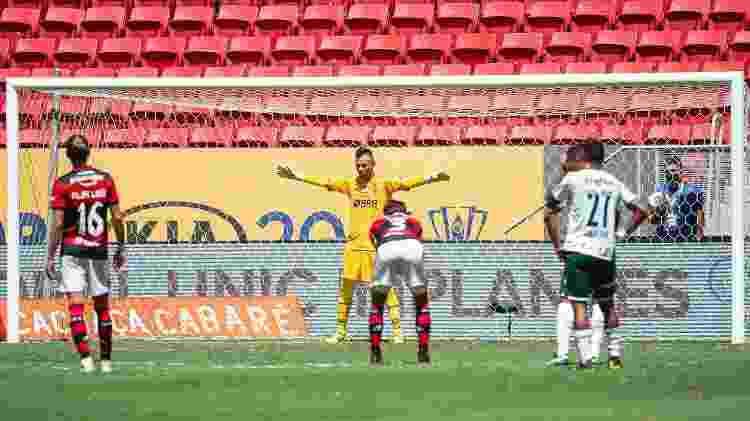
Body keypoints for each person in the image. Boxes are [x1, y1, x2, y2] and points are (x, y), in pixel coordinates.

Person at [276, 146, 449, 344]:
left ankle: (397, 331)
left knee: (386, 288)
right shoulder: (351, 185)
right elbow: (325, 183)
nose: (360, 169)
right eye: (358, 165)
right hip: (353, 247)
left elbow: (406, 184)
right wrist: (296, 176)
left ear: (373, 165)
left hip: (375, 248)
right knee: (346, 289)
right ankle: (340, 331)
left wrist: (433, 177)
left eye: (364, 165)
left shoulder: (383, 186)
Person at [544, 143, 651, 369]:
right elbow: (642, 208)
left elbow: (550, 205)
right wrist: (623, 233)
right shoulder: (613, 181)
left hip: (579, 250)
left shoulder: (574, 179)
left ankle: (585, 360)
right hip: (605, 250)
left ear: (582, 157)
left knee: (579, 306)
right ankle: (614, 357)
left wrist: (563, 170)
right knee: (608, 305)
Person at [46, 134, 126, 373]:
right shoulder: (106, 179)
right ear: (89, 151)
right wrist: (121, 246)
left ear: (68, 156)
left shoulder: (62, 183)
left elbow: (58, 225)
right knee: (102, 307)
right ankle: (107, 362)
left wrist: (50, 256)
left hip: (72, 250)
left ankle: (86, 361)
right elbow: (118, 217)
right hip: (98, 250)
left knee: (76, 307)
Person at [368, 200, 430, 366]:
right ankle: (423, 351)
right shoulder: (413, 221)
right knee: (421, 303)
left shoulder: (379, 222)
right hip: (412, 247)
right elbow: (418, 237)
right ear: (404, 212)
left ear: (386, 213)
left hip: (386, 248)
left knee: (377, 304)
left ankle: (375, 352)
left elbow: (374, 240)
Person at [649, 157, 705, 242]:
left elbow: (700, 213)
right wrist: (657, 213)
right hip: (663, 237)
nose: (670, 174)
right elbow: (652, 219)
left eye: (673, 170)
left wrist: (699, 231)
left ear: (681, 172)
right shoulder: (660, 190)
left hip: (684, 237)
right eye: (667, 171)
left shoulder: (692, 191)